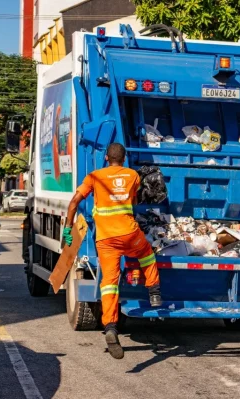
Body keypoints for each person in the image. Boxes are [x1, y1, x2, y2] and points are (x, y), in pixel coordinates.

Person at [63, 142, 161, 359]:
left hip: (106, 239)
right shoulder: (133, 175)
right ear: (124, 159)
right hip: (130, 235)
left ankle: (110, 327)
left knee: (109, 284)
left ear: (106, 158)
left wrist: (68, 228)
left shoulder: (94, 177)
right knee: (146, 255)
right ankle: (154, 292)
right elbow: (134, 198)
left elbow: (73, 203)